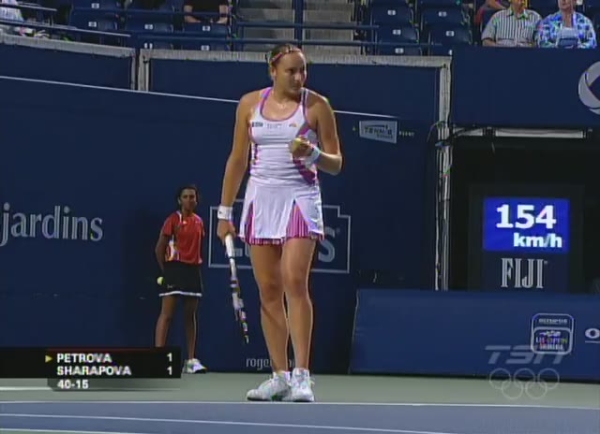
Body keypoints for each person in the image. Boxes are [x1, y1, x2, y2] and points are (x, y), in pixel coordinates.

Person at [216, 43, 343, 402]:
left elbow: (336, 163)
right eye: (291, 71)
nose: (299, 77)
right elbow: (237, 160)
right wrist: (224, 213)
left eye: (303, 70)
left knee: (294, 282)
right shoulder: (248, 104)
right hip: (260, 200)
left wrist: (313, 153)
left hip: (300, 199)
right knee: (269, 290)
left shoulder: (317, 106)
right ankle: (279, 375)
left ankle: (302, 376)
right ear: (273, 71)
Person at [155, 185, 207, 374]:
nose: (189, 200)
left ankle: (191, 360)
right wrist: (167, 271)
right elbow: (159, 249)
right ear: (179, 200)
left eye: (192, 197)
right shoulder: (172, 220)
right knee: (167, 315)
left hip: (192, 271)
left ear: (196, 200)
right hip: (174, 269)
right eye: (185, 197)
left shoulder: (199, 222)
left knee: (190, 316)